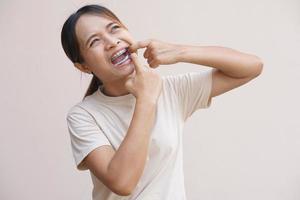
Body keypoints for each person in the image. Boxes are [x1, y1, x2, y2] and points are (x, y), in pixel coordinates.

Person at [61, 4, 263, 200]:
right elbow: (122, 182)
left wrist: (180, 52)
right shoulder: (83, 116)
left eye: (114, 28)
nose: (112, 42)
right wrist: (146, 99)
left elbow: (252, 66)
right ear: (84, 67)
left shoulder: (171, 91)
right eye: (94, 41)